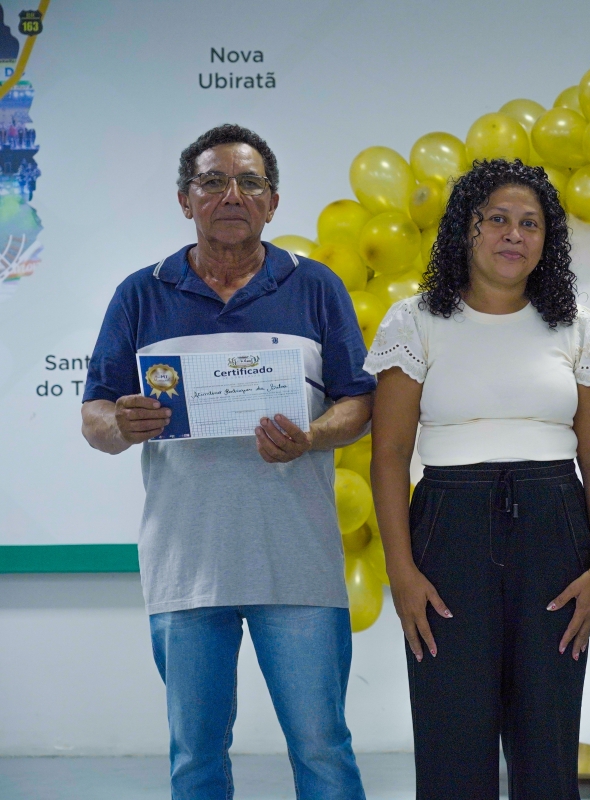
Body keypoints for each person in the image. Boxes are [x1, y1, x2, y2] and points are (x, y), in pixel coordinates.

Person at [81, 124, 374, 800]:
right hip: (185, 568)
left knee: (322, 749)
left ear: (273, 202)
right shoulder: (140, 293)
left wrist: (312, 435)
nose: (231, 195)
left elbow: (359, 404)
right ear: (185, 199)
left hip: (298, 563)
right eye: (212, 181)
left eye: (250, 182)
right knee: (196, 758)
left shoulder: (315, 286)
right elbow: (94, 416)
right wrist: (119, 424)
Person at [365, 159, 590, 799]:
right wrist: (401, 570)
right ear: (466, 229)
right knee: (452, 730)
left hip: (554, 526)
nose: (514, 235)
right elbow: (390, 452)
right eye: (498, 220)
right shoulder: (415, 320)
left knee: (548, 731)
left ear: (547, 239)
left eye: (530, 224)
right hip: (447, 529)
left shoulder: (575, 323)